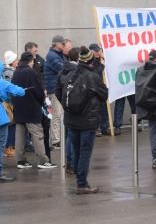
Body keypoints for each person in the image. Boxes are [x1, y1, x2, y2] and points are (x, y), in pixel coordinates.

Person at [57, 47, 108, 194]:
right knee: (85, 152)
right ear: (91, 61)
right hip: (87, 120)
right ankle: (82, 183)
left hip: (71, 119)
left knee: (77, 150)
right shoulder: (93, 77)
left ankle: (79, 179)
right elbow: (104, 95)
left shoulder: (69, 74)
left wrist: (69, 108)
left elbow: (59, 91)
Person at [12, 52, 56, 170]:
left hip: (18, 108)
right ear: (30, 61)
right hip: (31, 108)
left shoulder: (16, 72)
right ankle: (43, 160)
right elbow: (38, 90)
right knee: (37, 134)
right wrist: (42, 100)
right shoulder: (31, 72)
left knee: (20, 135)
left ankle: (20, 160)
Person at [44, 35, 67, 149]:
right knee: (56, 115)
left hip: (57, 89)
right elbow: (63, 69)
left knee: (59, 114)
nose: (64, 46)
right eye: (63, 44)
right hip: (54, 89)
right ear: (56, 44)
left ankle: (58, 138)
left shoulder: (58, 55)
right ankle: (56, 140)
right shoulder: (52, 56)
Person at [2, 51, 18, 156]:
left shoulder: (8, 71)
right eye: (16, 60)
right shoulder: (9, 73)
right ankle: (8, 147)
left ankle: (10, 146)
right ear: (11, 61)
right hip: (9, 102)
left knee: (11, 125)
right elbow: (9, 88)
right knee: (11, 125)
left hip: (10, 102)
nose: (17, 61)